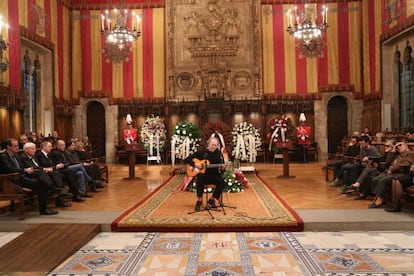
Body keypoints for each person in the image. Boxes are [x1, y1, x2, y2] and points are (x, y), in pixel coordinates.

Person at [0, 138, 58, 215]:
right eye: (15, 146)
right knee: (43, 184)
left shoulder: (16, 155)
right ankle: (45, 206)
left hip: (22, 177)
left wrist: (26, 170)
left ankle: (47, 202)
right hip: (12, 180)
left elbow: (20, 167)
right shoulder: (3, 156)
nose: (18, 147)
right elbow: (10, 169)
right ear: (8, 147)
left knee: (42, 177)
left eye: (17, 145)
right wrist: (25, 170)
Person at [184, 137, 226, 211]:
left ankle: (211, 200)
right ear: (209, 144)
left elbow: (222, 168)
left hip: (214, 175)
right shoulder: (202, 152)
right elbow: (187, 159)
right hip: (204, 175)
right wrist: (195, 164)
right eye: (213, 145)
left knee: (222, 182)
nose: (214, 147)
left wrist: (222, 168)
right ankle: (199, 201)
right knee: (200, 179)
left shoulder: (219, 153)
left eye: (216, 145)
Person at [369, 141, 414, 208]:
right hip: (394, 173)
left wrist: (392, 169)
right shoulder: (399, 155)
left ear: (406, 145)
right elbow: (388, 162)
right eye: (396, 146)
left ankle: (379, 200)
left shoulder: (410, 154)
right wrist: (393, 151)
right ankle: (382, 198)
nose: (398, 147)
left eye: (400, 145)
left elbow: (406, 165)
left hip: (402, 174)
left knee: (383, 180)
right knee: (376, 179)